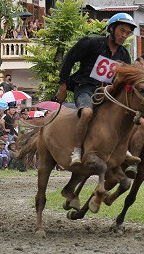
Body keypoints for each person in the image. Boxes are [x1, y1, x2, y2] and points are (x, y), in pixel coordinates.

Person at [54, 12, 136, 166]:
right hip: (84, 88)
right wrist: (63, 86)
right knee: (86, 112)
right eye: (122, 30)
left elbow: (125, 81)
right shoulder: (90, 43)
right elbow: (69, 59)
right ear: (111, 29)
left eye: (127, 33)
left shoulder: (124, 55)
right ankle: (77, 150)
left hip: (108, 94)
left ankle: (122, 149)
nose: (124, 35)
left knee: (126, 114)